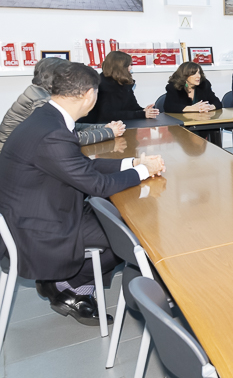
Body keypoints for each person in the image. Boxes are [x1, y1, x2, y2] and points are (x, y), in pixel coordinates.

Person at [0, 62, 164, 326]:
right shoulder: (53, 132)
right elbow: (97, 186)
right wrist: (145, 170)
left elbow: (81, 167)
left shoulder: (47, 117)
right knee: (130, 233)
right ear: (89, 94)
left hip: (38, 209)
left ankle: (64, 283)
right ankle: (68, 286)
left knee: (118, 217)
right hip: (39, 227)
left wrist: (131, 164)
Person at [0, 57, 122, 152]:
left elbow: (68, 126)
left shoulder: (40, 92)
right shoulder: (40, 101)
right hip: (15, 160)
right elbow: (65, 137)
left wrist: (103, 127)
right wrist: (109, 133)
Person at [86, 51, 160, 123]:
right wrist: (141, 114)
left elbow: (132, 107)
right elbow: (108, 115)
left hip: (123, 124)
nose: (130, 68)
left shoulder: (125, 84)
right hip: (104, 127)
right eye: (129, 65)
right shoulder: (102, 85)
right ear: (121, 67)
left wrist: (144, 110)